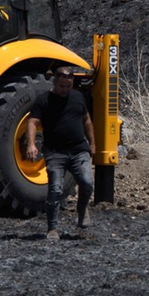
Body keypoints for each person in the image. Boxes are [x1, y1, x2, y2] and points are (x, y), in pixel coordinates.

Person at [26, 66, 96, 240]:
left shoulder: (78, 97)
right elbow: (33, 123)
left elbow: (86, 120)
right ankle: (52, 228)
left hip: (79, 150)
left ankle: (81, 209)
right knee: (55, 190)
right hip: (55, 152)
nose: (65, 90)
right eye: (62, 86)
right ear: (55, 83)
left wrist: (92, 143)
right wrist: (31, 144)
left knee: (87, 183)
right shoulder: (44, 100)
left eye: (68, 86)